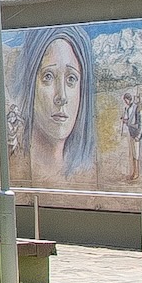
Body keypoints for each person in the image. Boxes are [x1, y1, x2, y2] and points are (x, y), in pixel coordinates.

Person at [16, 27, 96, 178]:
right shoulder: (14, 167)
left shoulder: (84, 174)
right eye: (48, 76)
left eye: (71, 78)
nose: (62, 97)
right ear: (30, 84)